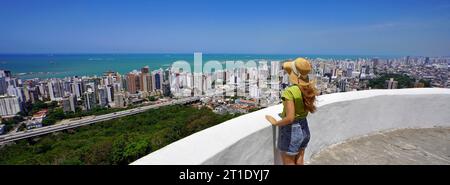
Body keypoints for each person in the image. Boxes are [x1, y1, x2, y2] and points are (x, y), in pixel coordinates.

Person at [265, 58, 318, 165]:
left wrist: (275, 123)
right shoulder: (307, 89)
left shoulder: (289, 92)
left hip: (292, 131)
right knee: (300, 160)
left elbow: (290, 118)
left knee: (289, 162)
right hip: (304, 129)